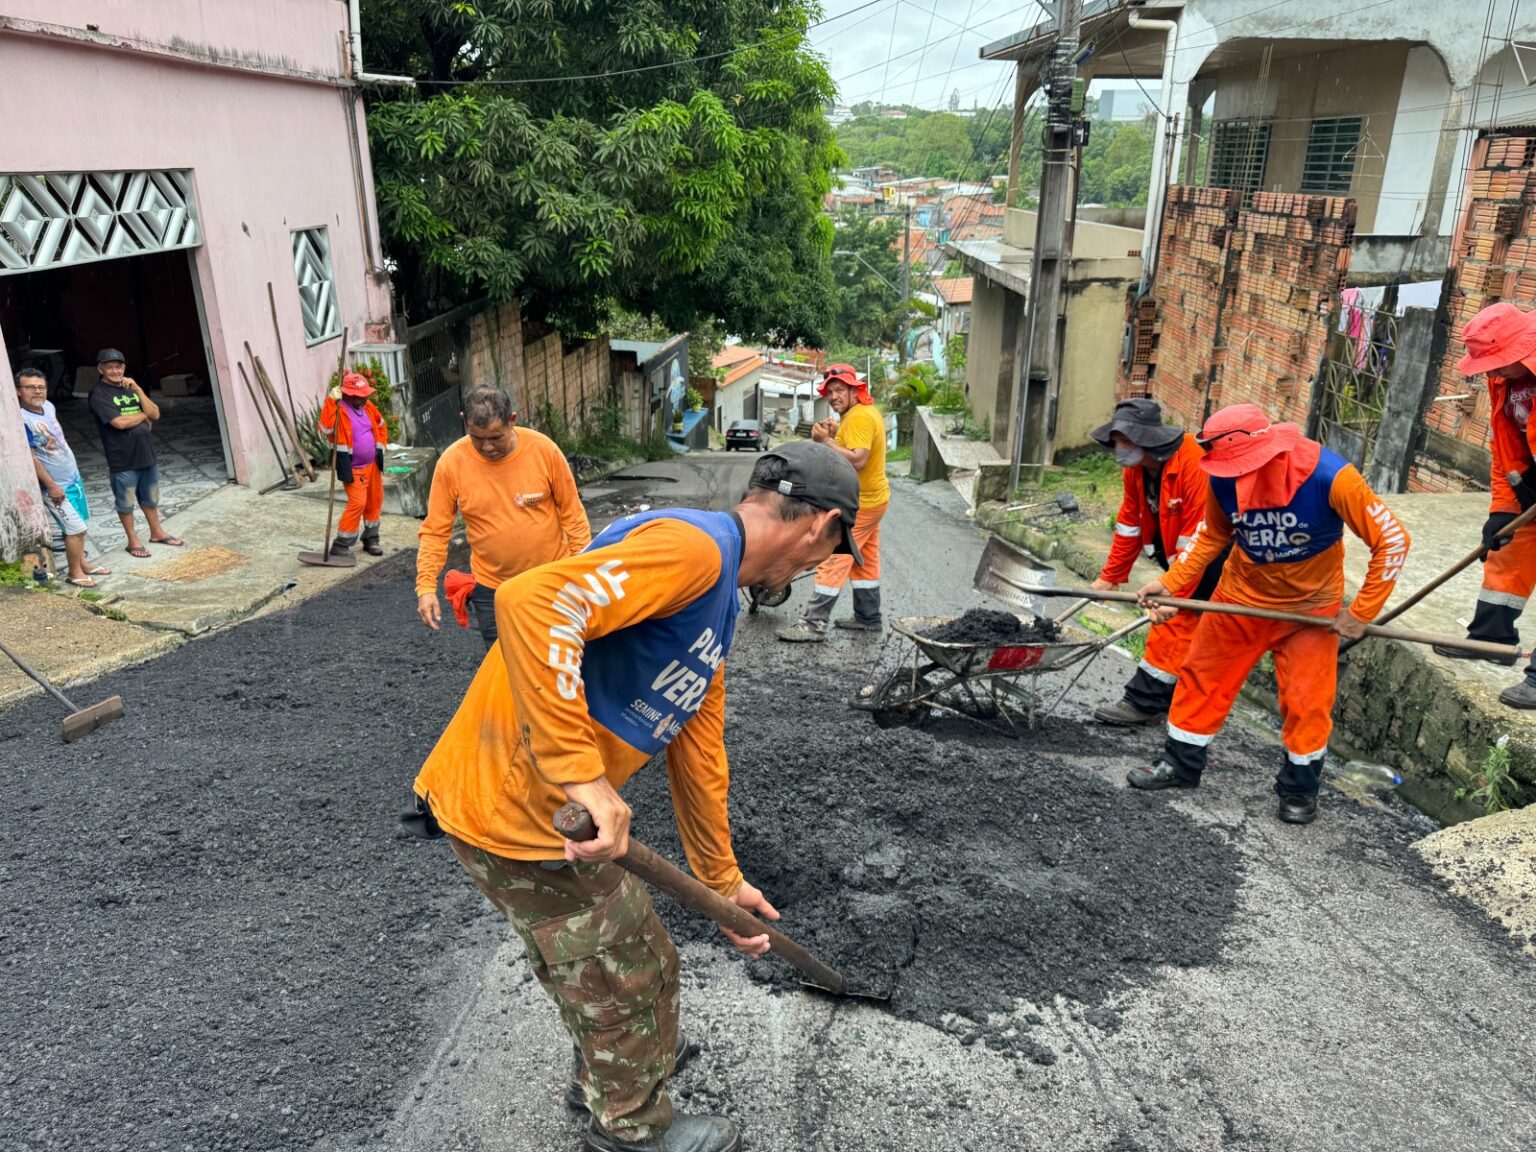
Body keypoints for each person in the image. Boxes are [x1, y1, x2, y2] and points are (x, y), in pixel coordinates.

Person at [413, 441, 862, 1152]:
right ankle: (629, 1128)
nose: (816, 569)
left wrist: (722, 881)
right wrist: (579, 773)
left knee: (627, 957)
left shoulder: (713, 605)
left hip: (546, 812)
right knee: (625, 968)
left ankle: (617, 1063)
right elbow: (532, 604)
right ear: (819, 526)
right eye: (829, 552)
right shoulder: (692, 552)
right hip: (516, 807)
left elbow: (699, 751)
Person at [1127, 403, 1410, 825]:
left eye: (1244, 466)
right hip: (1239, 599)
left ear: (1273, 452)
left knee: (1307, 702)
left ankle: (1299, 791)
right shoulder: (1219, 477)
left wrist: (1361, 611)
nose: (1236, 474)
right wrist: (1172, 583)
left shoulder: (1330, 477)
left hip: (1309, 611)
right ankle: (1179, 766)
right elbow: (1212, 536)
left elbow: (1393, 540)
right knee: (1202, 678)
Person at [416, 387, 591, 647]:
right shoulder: (452, 463)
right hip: (492, 591)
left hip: (554, 582)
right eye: (477, 438)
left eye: (496, 437)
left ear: (513, 420)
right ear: (464, 420)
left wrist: (584, 573)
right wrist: (426, 587)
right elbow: (435, 531)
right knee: (503, 667)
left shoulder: (544, 451)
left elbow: (573, 516)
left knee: (562, 659)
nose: (487, 447)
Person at [1089, 399, 1227, 725]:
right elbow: (1129, 524)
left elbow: (1199, 540)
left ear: (1144, 439)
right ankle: (1174, 696)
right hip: (1181, 560)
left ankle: (1142, 701)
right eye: (1117, 442)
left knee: (1173, 624)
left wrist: (1173, 592)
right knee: (1195, 631)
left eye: (1123, 441)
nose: (1118, 449)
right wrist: (1109, 577)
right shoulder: (1137, 470)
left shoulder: (1195, 464)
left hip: (1216, 554)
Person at [1431, 302, 1536, 708]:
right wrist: (1503, 510)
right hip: (1531, 484)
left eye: (1497, 362)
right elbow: (1505, 450)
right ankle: (1491, 639)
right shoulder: (1504, 382)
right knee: (1508, 553)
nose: (1490, 371)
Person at [776, 362, 889, 641]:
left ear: (855, 390)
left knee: (834, 557)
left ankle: (813, 624)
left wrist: (825, 442)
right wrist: (836, 431)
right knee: (865, 560)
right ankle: (868, 617)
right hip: (873, 500)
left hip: (861, 503)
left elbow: (859, 460)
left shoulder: (860, 417)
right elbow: (852, 442)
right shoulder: (859, 413)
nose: (835, 396)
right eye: (830, 393)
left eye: (841, 390)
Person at [15, 367, 110, 587]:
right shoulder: (21, 419)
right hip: (55, 486)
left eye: (41, 387)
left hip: (72, 477)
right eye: (30, 387)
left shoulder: (48, 407)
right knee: (76, 529)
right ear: (19, 391)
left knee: (81, 524)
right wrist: (51, 485)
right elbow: (31, 457)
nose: (37, 391)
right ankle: (75, 573)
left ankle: (83, 564)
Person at [87, 348, 183, 557]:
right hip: (122, 458)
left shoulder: (130, 388)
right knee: (126, 502)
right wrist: (143, 415)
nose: (115, 371)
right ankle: (133, 541)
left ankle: (157, 532)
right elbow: (120, 423)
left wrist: (138, 390)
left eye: (118, 366)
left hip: (146, 454)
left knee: (150, 498)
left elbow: (155, 413)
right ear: (100, 369)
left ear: (124, 367)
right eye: (109, 367)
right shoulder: (98, 393)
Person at [318, 372, 389, 559]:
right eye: (361, 395)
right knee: (358, 503)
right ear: (349, 394)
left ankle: (371, 540)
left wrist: (380, 447)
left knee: (375, 501)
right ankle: (341, 544)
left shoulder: (368, 407)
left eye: (366, 394)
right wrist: (330, 402)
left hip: (372, 465)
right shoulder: (339, 409)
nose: (365, 397)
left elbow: (381, 425)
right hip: (353, 468)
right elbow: (325, 428)